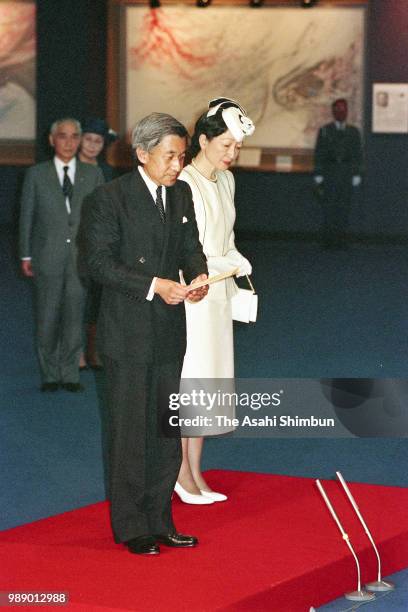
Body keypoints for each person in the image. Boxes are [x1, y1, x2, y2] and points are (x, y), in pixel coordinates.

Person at [79, 112, 208, 555]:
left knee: (166, 429)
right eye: (170, 156)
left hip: (170, 332)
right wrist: (155, 286)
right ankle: (133, 526)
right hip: (127, 333)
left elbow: (191, 248)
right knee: (131, 432)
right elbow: (97, 264)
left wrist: (199, 275)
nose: (178, 165)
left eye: (182, 156)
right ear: (142, 153)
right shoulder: (109, 199)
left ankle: (161, 518)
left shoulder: (182, 194)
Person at [175, 98, 255, 505]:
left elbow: (226, 237)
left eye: (237, 148)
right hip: (195, 294)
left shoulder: (226, 180)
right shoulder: (186, 182)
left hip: (220, 292)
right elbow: (194, 251)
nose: (231, 154)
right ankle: (181, 474)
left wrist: (235, 256)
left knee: (212, 384)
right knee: (193, 383)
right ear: (203, 141)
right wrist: (231, 260)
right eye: (225, 145)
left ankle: (196, 471)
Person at [19, 118, 104, 392]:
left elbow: (102, 218)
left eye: (74, 136)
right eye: (62, 136)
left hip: (80, 258)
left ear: (79, 141)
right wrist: (25, 255)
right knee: (47, 316)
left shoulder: (93, 175)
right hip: (47, 256)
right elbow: (26, 217)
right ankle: (50, 372)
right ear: (51, 140)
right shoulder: (36, 174)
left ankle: (69, 373)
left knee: (74, 316)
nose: (68, 142)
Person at [78, 118, 118, 369]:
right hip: (69, 243)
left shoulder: (106, 173)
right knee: (71, 301)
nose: (92, 146)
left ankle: (93, 352)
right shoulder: (65, 168)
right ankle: (74, 354)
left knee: (96, 300)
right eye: (89, 139)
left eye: (98, 141)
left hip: (97, 244)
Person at [313, 98, 363, 248]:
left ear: (347, 112)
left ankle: (342, 239)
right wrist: (318, 173)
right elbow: (319, 152)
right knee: (329, 207)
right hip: (330, 172)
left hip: (346, 172)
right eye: (337, 110)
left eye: (343, 110)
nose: (340, 112)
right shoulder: (325, 130)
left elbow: (357, 154)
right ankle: (329, 240)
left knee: (344, 206)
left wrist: (357, 173)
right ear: (333, 112)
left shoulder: (353, 132)